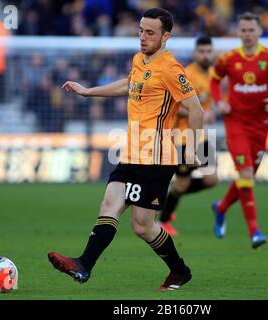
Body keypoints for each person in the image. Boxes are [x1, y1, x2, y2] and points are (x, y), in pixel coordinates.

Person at [47, 8, 205, 290]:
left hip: (156, 158)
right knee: (109, 205)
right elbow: (130, 84)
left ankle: (179, 271)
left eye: (150, 33)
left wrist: (192, 146)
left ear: (165, 36)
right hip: (132, 152)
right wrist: (88, 91)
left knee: (142, 226)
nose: (142, 37)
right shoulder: (139, 59)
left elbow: (196, 109)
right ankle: (83, 265)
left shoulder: (171, 69)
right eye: (140, 31)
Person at [210, 12, 268, 247]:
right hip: (235, 123)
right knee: (246, 175)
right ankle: (254, 231)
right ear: (238, 32)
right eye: (243, 30)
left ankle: (220, 207)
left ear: (259, 32)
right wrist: (219, 101)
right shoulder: (228, 58)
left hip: (261, 125)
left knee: (246, 178)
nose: (247, 34)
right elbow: (214, 80)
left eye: (251, 30)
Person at [158, 36, 219, 236]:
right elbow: (175, 107)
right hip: (182, 139)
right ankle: (164, 219)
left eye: (208, 51)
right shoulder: (187, 74)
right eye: (201, 51)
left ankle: (171, 197)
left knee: (212, 179)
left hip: (200, 137)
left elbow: (208, 105)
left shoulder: (212, 75)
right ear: (195, 53)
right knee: (182, 183)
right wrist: (199, 112)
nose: (205, 55)